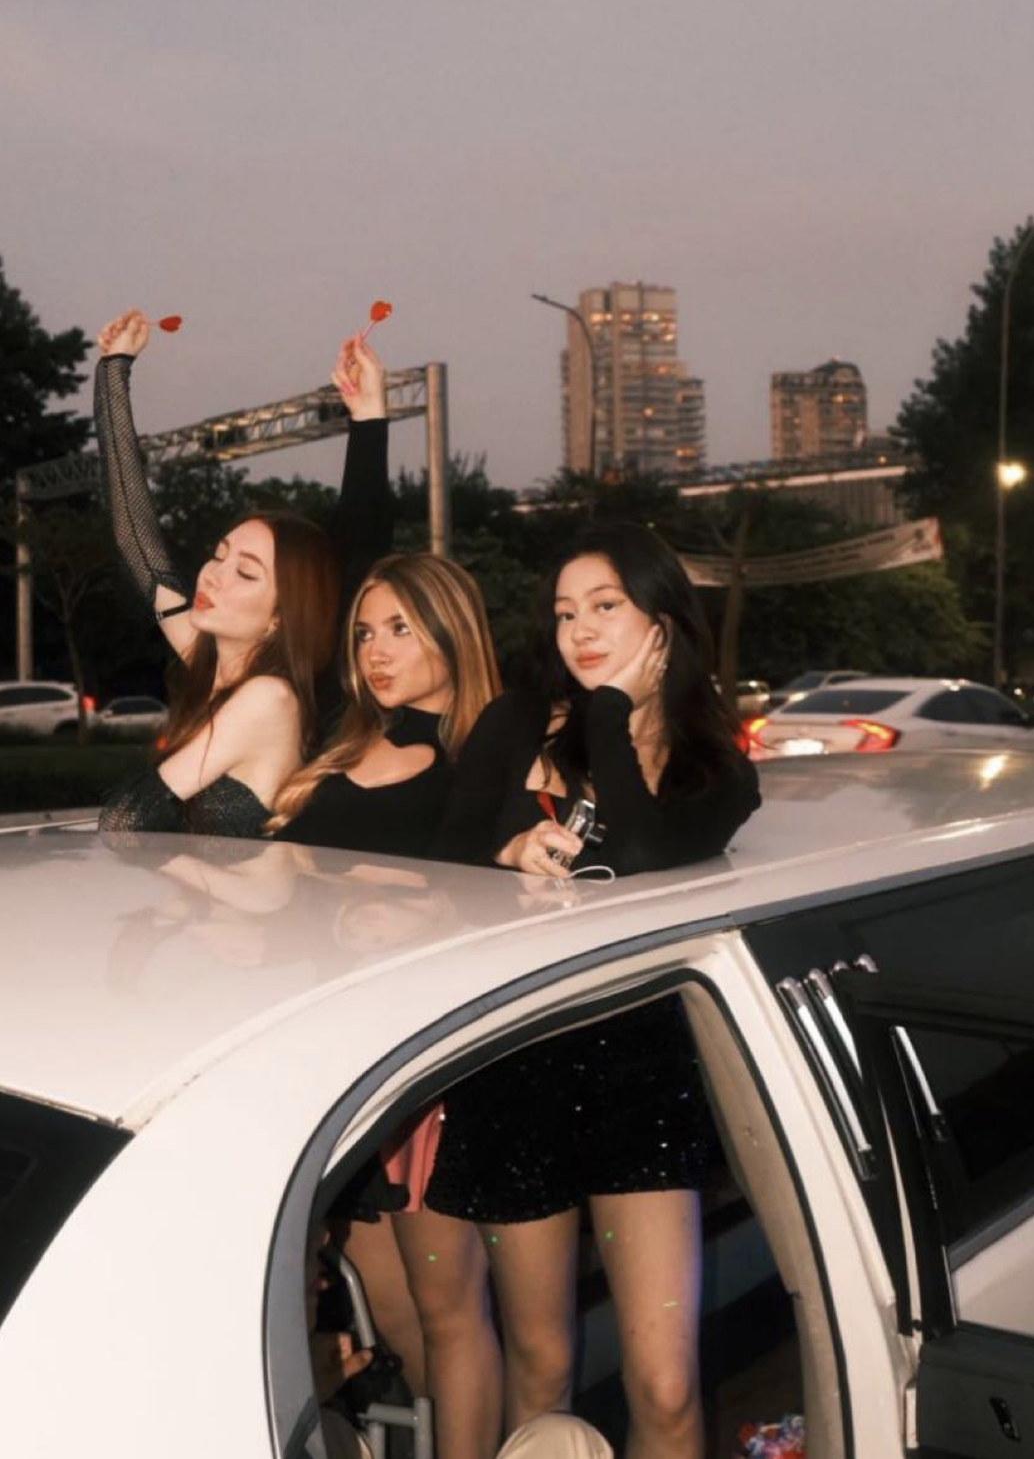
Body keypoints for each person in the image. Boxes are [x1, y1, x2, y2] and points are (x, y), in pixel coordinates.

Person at [426, 521, 761, 1459]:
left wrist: (609, 710)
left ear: (663, 622)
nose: (578, 629)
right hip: (511, 1066)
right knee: (540, 1372)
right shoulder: (514, 722)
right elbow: (436, 862)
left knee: (666, 1385)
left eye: (606, 606)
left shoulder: (718, 768)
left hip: (638, 1075)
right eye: (566, 611)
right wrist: (505, 853)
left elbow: (645, 850)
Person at [269, 550, 506, 1459]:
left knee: (448, 1312)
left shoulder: (480, 761)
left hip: (422, 1068)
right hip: (325, 1057)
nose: (375, 648)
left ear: (454, 630)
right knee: (401, 1314)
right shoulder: (346, 743)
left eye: (402, 628)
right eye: (366, 631)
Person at [93, 308, 390, 835]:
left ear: (280, 618)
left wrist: (369, 420)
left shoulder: (268, 698)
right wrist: (114, 370)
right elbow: (135, 539)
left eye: (246, 574)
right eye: (219, 554)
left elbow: (123, 819)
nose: (212, 575)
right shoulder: (212, 662)